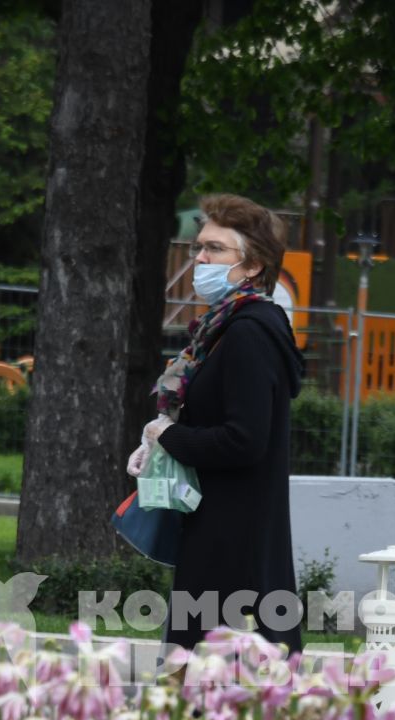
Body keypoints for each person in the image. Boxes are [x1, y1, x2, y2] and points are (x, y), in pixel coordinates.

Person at [129, 193, 305, 654]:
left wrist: (169, 435)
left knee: (214, 695)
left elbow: (244, 440)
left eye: (214, 249)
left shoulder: (248, 333)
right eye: (199, 247)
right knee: (207, 691)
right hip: (220, 531)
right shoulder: (224, 327)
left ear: (252, 266)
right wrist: (163, 438)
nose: (199, 259)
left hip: (232, 544)